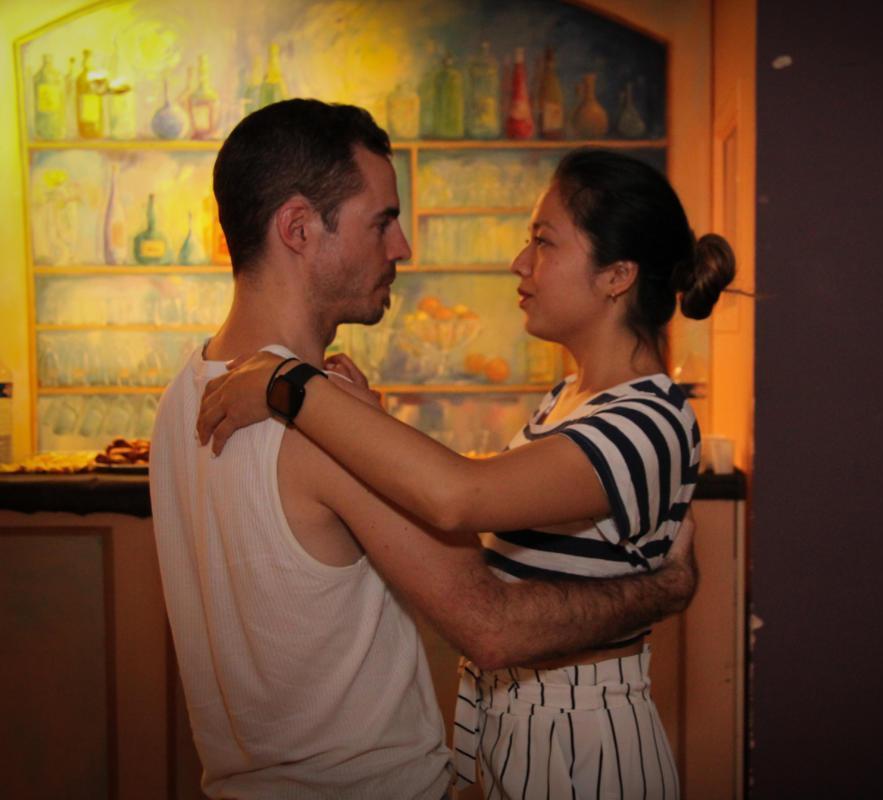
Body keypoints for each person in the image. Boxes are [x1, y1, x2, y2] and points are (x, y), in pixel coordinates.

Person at [150, 99, 697, 800]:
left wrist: (334, 404)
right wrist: (664, 588)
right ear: (298, 227)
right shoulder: (313, 420)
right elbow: (490, 620)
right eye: (382, 221)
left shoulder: (184, 393)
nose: (403, 246)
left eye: (544, 242)